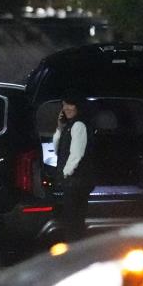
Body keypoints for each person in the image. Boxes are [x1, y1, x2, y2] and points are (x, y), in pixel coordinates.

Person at [52, 93, 92, 241]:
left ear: (77, 107)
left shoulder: (79, 125)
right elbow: (57, 149)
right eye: (64, 105)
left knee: (74, 219)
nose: (66, 108)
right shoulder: (68, 127)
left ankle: (75, 251)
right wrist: (59, 129)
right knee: (71, 218)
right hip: (72, 182)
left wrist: (65, 173)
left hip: (77, 181)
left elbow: (77, 153)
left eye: (70, 105)